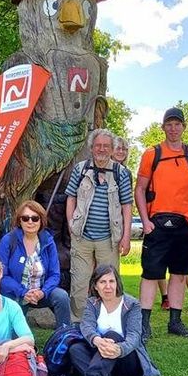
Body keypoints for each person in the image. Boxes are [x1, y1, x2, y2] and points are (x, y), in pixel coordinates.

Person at [134, 108, 188, 339]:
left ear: (184, 127)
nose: (173, 129)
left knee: (179, 274)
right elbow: (140, 189)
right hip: (157, 223)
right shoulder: (151, 154)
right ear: (163, 127)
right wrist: (145, 221)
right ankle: (144, 324)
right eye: (169, 124)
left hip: (186, 224)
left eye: (177, 124)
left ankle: (175, 321)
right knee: (151, 274)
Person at [67, 265, 159, 376]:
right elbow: (87, 326)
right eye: (102, 282)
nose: (108, 286)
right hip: (103, 358)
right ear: (95, 286)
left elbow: (135, 336)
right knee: (75, 349)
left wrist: (119, 349)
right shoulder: (92, 303)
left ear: (117, 283)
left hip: (128, 359)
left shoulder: (132, 304)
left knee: (112, 335)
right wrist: (97, 340)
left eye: (111, 281)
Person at [65, 128, 133, 322]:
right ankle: (78, 324)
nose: (101, 149)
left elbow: (127, 206)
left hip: (109, 239)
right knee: (79, 284)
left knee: (108, 284)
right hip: (82, 239)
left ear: (112, 149)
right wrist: (71, 224)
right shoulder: (80, 169)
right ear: (91, 148)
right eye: (98, 146)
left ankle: (108, 323)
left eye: (106, 146)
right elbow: (71, 197)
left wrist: (126, 236)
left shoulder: (121, 173)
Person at [0, 200, 71, 328]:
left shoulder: (48, 241)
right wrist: (23, 292)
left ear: (41, 221)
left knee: (62, 297)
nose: (30, 222)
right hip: (15, 293)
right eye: (25, 218)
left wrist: (43, 292)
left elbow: (55, 274)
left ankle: (64, 336)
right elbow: (2, 275)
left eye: (35, 218)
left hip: (41, 292)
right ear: (19, 221)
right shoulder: (8, 240)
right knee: (14, 337)